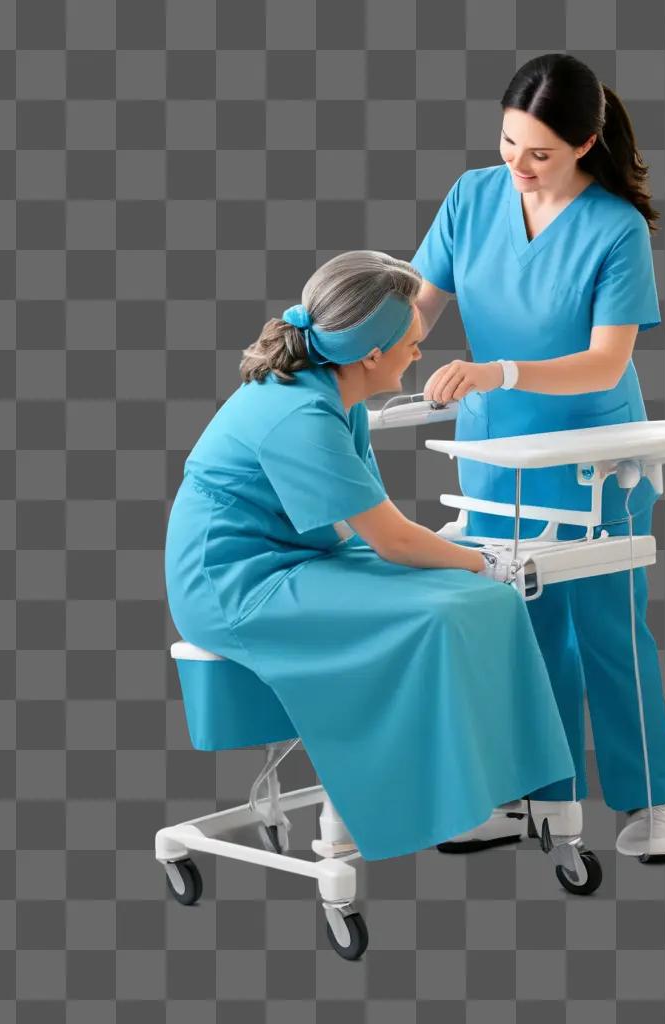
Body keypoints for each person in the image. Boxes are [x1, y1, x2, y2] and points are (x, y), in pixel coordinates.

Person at [163, 250, 576, 861]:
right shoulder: (301, 412)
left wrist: (476, 570)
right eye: (412, 341)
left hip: (297, 558)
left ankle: (487, 797)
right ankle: (376, 806)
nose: (419, 352)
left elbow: (376, 527)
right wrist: (482, 559)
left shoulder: (336, 393)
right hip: (233, 586)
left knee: (485, 602)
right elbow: (394, 541)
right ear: (372, 353)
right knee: (444, 609)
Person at [410, 54, 665, 859]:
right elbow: (418, 310)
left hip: (597, 456)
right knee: (513, 633)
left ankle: (650, 801)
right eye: (508, 143)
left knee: (605, 631)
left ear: (585, 144)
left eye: (541, 153)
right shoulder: (472, 197)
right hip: (495, 453)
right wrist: (343, 355)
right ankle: (527, 797)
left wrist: (498, 370)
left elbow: (605, 360)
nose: (519, 166)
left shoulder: (614, 229)